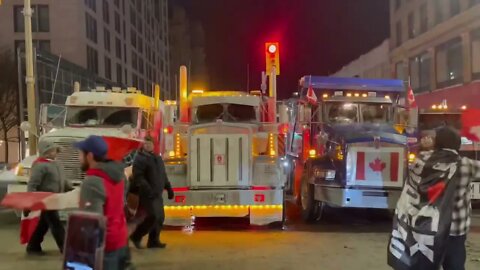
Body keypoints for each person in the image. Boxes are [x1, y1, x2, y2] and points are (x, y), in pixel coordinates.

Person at [75, 135, 130, 270]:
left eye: (80, 154)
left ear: (90, 156)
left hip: (105, 248)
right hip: (120, 240)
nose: (78, 158)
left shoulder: (92, 182)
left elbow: (92, 224)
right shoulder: (119, 175)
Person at [26, 141, 72, 255]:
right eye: (51, 150)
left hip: (54, 198)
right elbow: (32, 184)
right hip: (45, 199)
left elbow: (63, 179)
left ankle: (33, 245)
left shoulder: (57, 164)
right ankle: (65, 248)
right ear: (44, 152)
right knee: (56, 223)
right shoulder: (40, 165)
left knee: (44, 223)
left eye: (55, 150)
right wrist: (30, 199)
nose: (54, 152)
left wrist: (69, 188)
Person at [130, 136, 174, 249]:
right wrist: (148, 189)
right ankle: (136, 236)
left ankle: (153, 241)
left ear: (153, 145)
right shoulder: (140, 159)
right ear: (143, 145)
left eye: (149, 143)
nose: (148, 145)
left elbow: (163, 175)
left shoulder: (157, 159)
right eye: (146, 144)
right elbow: (138, 177)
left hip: (157, 194)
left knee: (160, 217)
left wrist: (168, 188)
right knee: (152, 216)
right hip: (147, 194)